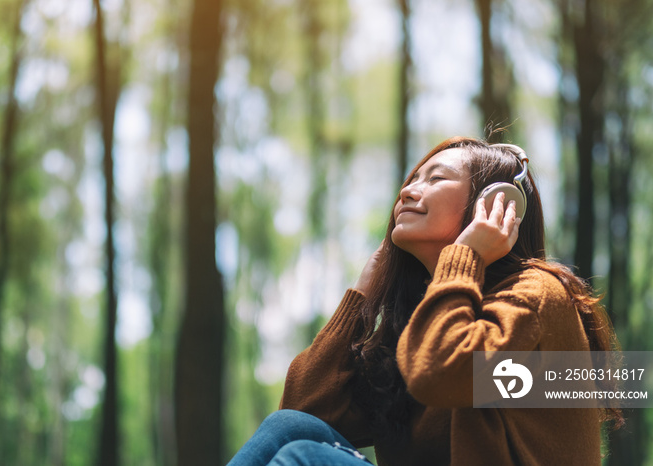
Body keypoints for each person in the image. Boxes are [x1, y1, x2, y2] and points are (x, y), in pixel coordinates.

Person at [227, 136, 621, 465]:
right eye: (412, 178)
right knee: (292, 432)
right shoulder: (421, 321)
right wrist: (360, 301)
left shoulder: (536, 294)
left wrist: (468, 256)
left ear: (496, 203)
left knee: (306, 457)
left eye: (436, 178)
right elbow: (301, 410)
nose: (407, 190)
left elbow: (441, 373)